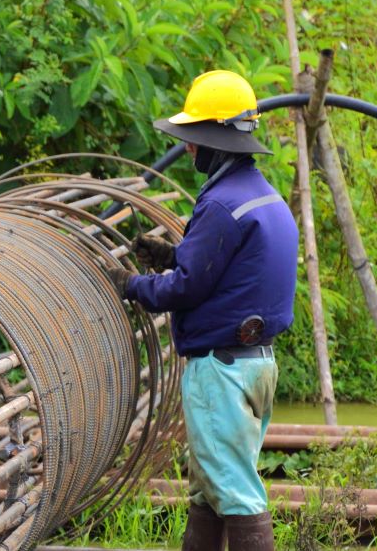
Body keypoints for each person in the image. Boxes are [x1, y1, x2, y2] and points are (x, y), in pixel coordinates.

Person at [105, 70, 298, 551]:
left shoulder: (219, 204)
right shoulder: (262, 196)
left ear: (216, 140)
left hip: (222, 371)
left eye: (195, 140)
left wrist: (133, 285)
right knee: (210, 489)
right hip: (257, 364)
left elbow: (188, 289)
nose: (189, 149)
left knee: (233, 491)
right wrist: (174, 255)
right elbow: (233, 272)